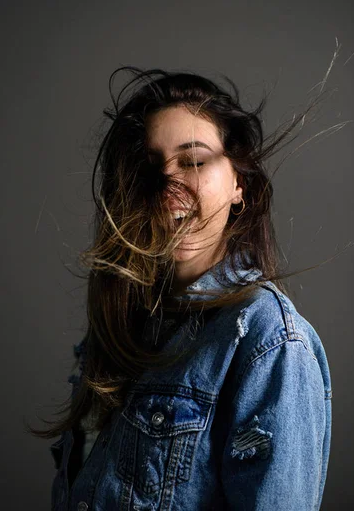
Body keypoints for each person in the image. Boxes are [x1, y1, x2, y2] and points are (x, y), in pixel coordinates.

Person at [27, 67, 332, 510]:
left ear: (238, 183)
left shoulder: (270, 341)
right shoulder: (127, 321)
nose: (169, 188)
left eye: (193, 161)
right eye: (151, 168)